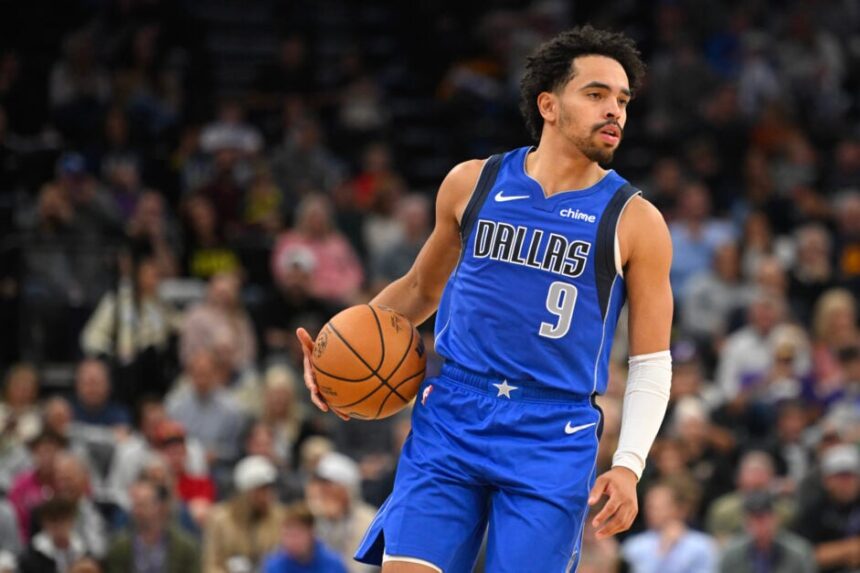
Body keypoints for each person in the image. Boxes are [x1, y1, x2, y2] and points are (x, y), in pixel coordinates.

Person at [297, 26, 674, 572]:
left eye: (622, 100)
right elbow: (420, 289)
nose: (614, 110)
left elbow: (650, 362)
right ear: (548, 104)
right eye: (596, 94)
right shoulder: (474, 182)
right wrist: (332, 352)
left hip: (553, 430)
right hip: (454, 409)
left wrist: (630, 463)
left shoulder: (636, 221)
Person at [202, 455, 284, 573]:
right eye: (261, 490)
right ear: (245, 492)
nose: (266, 496)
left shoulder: (279, 517)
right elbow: (211, 565)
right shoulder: (220, 519)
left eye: (269, 489)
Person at [621, 481, 718, 573]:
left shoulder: (702, 544)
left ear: (678, 509)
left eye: (659, 507)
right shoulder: (634, 545)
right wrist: (663, 549)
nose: (651, 512)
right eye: (649, 506)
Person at [104, 480, 200, 573]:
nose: (137, 511)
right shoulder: (118, 548)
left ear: (157, 506)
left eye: (142, 505)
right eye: (135, 505)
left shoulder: (186, 548)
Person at [718, 491, 817, 573]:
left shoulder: (798, 552)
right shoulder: (731, 554)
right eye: (753, 519)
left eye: (763, 518)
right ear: (745, 522)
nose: (758, 525)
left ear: (775, 518)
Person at [261, 502, 348, 573]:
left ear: (311, 533)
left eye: (296, 535)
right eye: (286, 535)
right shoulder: (273, 566)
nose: (290, 541)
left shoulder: (333, 564)